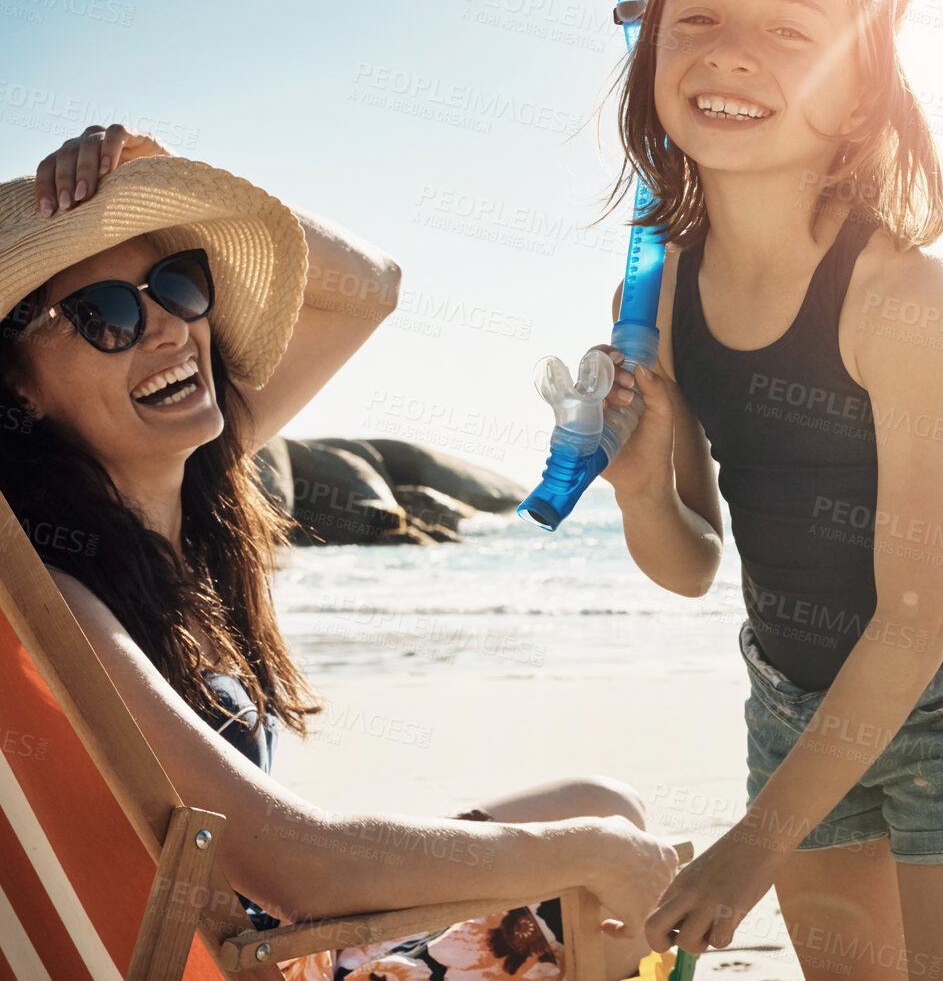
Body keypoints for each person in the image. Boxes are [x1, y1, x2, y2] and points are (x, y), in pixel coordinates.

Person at [2, 126, 679, 981]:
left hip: (250, 940)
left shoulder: (186, 489)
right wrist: (593, 853)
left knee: (602, 811)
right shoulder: (55, 597)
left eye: (178, 283)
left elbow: (371, 288)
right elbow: (304, 871)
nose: (169, 329)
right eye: (108, 315)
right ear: (16, 383)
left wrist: (173, 174)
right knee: (600, 865)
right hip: (257, 954)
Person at [583, 0, 943, 976]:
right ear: (649, 44)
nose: (732, 52)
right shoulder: (659, 294)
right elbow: (691, 563)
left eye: (793, 32)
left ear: (865, 81)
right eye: (697, 14)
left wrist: (753, 841)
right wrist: (645, 484)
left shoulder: (908, 302)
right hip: (792, 701)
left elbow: (914, 617)